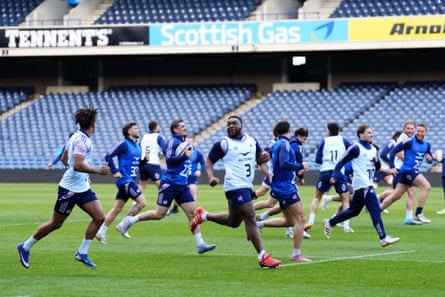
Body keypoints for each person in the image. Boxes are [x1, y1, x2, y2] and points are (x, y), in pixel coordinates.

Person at [17, 107, 110, 269]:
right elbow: (78, 164)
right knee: (56, 223)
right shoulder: (81, 140)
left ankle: (82, 252)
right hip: (69, 190)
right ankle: (25, 246)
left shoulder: (75, 136)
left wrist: (81, 175)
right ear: (92, 124)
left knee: (99, 217)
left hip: (82, 187)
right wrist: (97, 171)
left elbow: (64, 158)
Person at [189, 115, 281, 268]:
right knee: (250, 217)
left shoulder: (252, 141)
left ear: (241, 125)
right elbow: (209, 161)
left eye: (234, 123)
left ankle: (203, 215)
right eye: (228, 124)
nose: (231, 126)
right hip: (234, 186)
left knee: (234, 222)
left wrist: (268, 173)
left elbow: (260, 158)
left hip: (246, 185)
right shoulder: (224, 144)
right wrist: (211, 176)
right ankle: (262, 256)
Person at [115, 119, 216, 254]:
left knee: (192, 213)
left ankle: (200, 244)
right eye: (182, 126)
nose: (185, 128)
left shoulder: (183, 143)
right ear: (175, 129)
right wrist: (185, 157)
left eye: (185, 126)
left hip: (182, 185)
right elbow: (169, 161)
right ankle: (129, 222)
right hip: (170, 184)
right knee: (159, 214)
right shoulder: (172, 142)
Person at [322, 124, 400, 248]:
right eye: (369, 132)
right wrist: (334, 175)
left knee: (353, 211)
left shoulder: (373, 149)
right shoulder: (355, 148)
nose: (372, 134)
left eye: (372, 132)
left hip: (364, 186)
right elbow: (341, 162)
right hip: (364, 185)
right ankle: (383, 238)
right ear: (361, 134)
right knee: (375, 210)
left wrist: (389, 170)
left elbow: (378, 167)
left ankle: (330, 222)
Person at [255, 121, 310, 262]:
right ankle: (296, 254)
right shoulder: (285, 144)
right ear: (289, 130)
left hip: (280, 184)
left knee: (290, 220)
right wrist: (300, 166)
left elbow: (265, 158)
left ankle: (258, 224)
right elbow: (285, 163)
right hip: (285, 187)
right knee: (301, 218)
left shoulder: (277, 144)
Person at [95, 122, 147, 244]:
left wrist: (144, 161)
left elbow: (137, 165)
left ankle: (101, 232)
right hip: (125, 181)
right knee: (142, 203)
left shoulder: (137, 147)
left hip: (129, 180)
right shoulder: (124, 144)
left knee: (117, 208)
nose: (138, 130)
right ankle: (124, 224)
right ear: (129, 132)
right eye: (135, 128)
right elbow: (108, 155)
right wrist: (115, 170)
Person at [305, 122, 352, 234]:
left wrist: (326, 161)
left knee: (317, 197)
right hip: (339, 171)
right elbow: (352, 151)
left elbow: (317, 159)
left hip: (326, 171)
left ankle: (310, 221)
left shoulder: (324, 141)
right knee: (345, 199)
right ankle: (346, 226)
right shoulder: (344, 140)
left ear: (328, 130)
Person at [380, 123, 433, 223]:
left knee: (396, 195)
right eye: (418, 131)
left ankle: (377, 210)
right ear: (415, 131)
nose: (420, 133)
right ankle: (418, 213)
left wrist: (430, 159)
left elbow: (429, 157)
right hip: (408, 170)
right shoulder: (409, 141)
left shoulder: (427, 145)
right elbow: (393, 151)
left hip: (411, 171)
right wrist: (392, 167)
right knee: (426, 186)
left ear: (425, 133)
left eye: (422, 131)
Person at [167, 135, 205, 215]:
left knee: (193, 191)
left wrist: (200, 170)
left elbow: (203, 163)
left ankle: (193, 210)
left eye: (191, 140)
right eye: (188, 140)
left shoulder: (197, 152)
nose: (189, 142)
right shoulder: (181, 150)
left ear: (193, 141)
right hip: (181, 174)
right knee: (177, 192)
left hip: (192, 175)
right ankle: (175, 208)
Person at [373, 130, 402, 205]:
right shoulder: (392, 143)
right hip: (382, 167)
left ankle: (379, 201)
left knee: (392, 186)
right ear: (397, 137)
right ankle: (372, 201)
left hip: (387, 168)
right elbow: (383, 154)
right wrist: (391, 162)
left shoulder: (397, 144)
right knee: (374, 185)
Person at [139, 120, 167, 192]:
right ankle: (164, 202)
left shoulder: (144, 136)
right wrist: (162, 160)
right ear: (156, 127)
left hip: (143, 163)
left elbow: (139, 148)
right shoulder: (158, 136)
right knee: (161, 185)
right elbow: (165, 149)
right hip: (153, 163)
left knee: (142, 184)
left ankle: (136, 202)